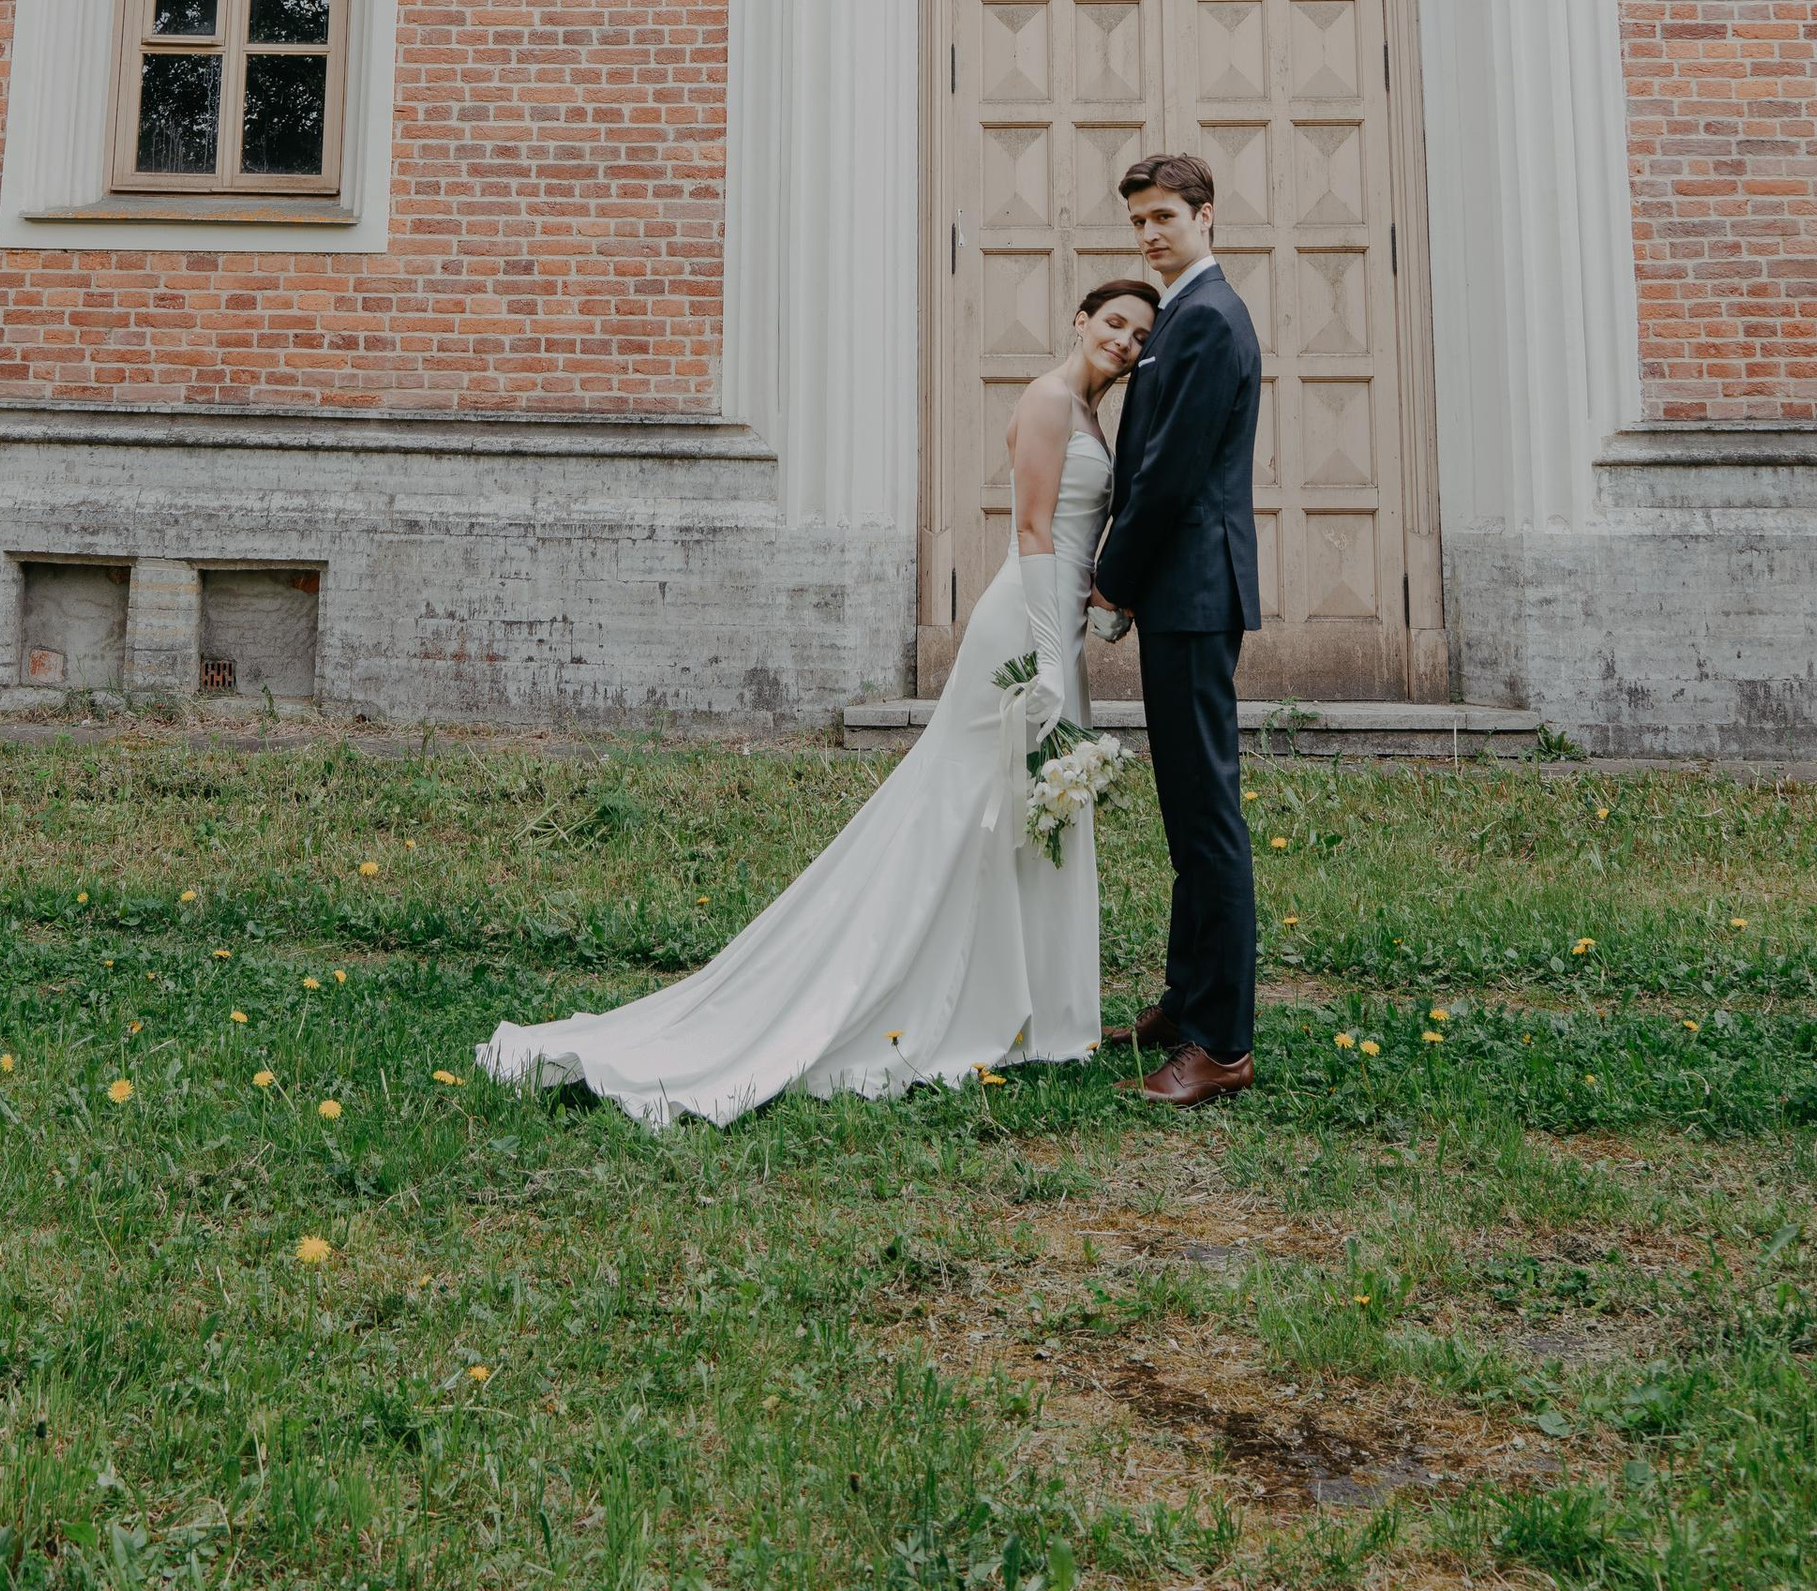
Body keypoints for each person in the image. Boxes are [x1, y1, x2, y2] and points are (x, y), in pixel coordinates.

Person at [476, 280, 1156, 1128]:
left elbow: (1081, 537)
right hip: (1024, 628)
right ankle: (930, 991)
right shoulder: (1050, 399)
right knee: (967, 808)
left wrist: (1102, 610)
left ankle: (1037, 1009)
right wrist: (1050, 658)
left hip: (1059, 622)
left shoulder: (1094, 411)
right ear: (1081, 319)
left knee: (1028, 809)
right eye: (1113, 322)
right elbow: (1032, 531)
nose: (1124, 341)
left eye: (1139, 335)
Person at [1090, 149, 1263, 1110]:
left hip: (1193, 592)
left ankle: (1222, 1044)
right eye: (1138, 222)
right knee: (1187, 814)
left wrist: (1111, 581)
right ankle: (1185, 1000)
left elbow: (1169, 474)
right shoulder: (1183, 314)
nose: (1150, 234)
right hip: (1183, 593)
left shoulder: (1206, 318)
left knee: (1208, 819)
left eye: (1164, 216)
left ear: (1206, 216)